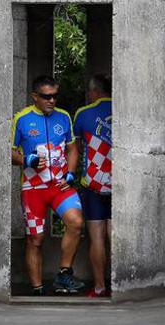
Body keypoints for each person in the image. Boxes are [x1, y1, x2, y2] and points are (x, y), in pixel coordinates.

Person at [11, 75, 86, 295]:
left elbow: (72, 148)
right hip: (33, 189)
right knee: (36, 239)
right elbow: (10, 151)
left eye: (54, 96)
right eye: (46, 97)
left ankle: (64, 275)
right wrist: (27, 160)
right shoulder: (22, 118)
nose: (51, 101)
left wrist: (71, 174)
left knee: (76, 222)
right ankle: (37, 289)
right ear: (35, 96)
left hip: (59, 186)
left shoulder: (63, 117)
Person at [72, 75, 113, 298]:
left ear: (94, 91)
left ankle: (99, 287)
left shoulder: (83, 113)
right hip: (120, 184)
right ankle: (122, 285)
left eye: (89, 93)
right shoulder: (124, 107)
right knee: (115, 235)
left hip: (93, 184)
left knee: (97, 237)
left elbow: (76, 148)